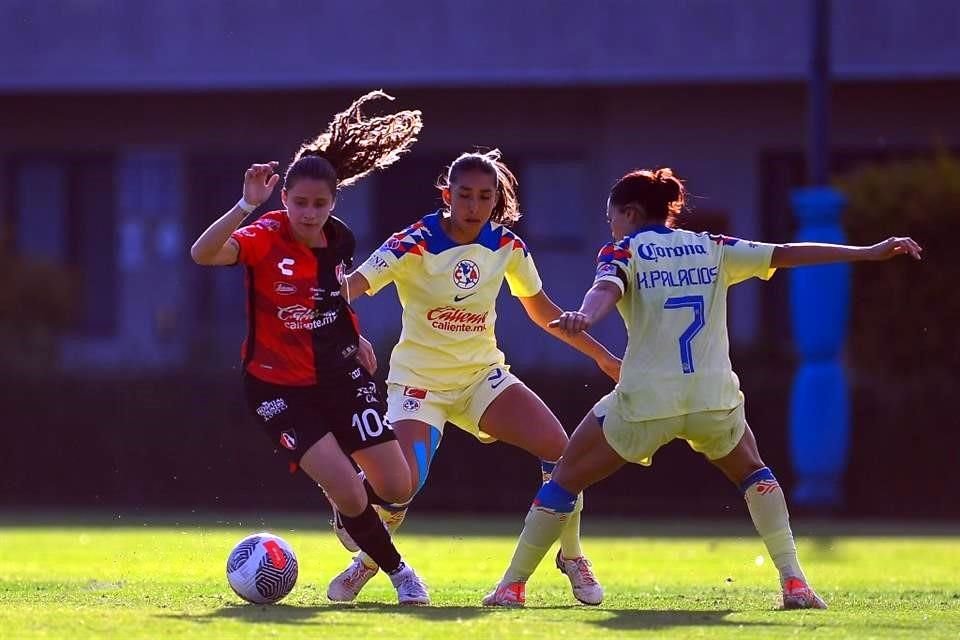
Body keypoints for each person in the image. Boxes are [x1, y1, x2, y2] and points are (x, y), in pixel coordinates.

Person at [482, 167, 923, 609]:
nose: (610, 223)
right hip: (712, 399)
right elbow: (786, 253)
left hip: (647, 402)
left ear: (631, 213)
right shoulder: (713, 246)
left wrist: (584, 316)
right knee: (754, 472)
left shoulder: (622, 250)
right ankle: (795, 583)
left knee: (564, 480)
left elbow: (604, 289)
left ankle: (512, 586)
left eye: (612, 214)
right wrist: (868, 251)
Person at [328, 149, 622, 605]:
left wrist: (602, 358)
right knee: (403, 484)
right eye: (464, 194)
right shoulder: (413, 241)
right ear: (447, 194)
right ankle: (368, 559)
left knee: (560, 451)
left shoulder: (507, 247)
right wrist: (330, 316)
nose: (473, 204)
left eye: (485, 196)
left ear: (496, 199)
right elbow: (352, 289)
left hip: (482, 379)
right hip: (418, 385)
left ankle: (572, 556)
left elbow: (543, 313)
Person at [190, 91, 431, 605]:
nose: (309, 212)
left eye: (320, 204)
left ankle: (356, 520)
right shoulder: (263, 235)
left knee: (397, 485)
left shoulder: (339, 240)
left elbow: (329, 297)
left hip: (339, 374)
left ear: (333, 204)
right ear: (284, 201)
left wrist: (356, 335)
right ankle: (398, 573)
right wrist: (244, 205)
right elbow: (203, 253)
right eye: (299, 202)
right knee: (347, 487)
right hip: (279, 389)